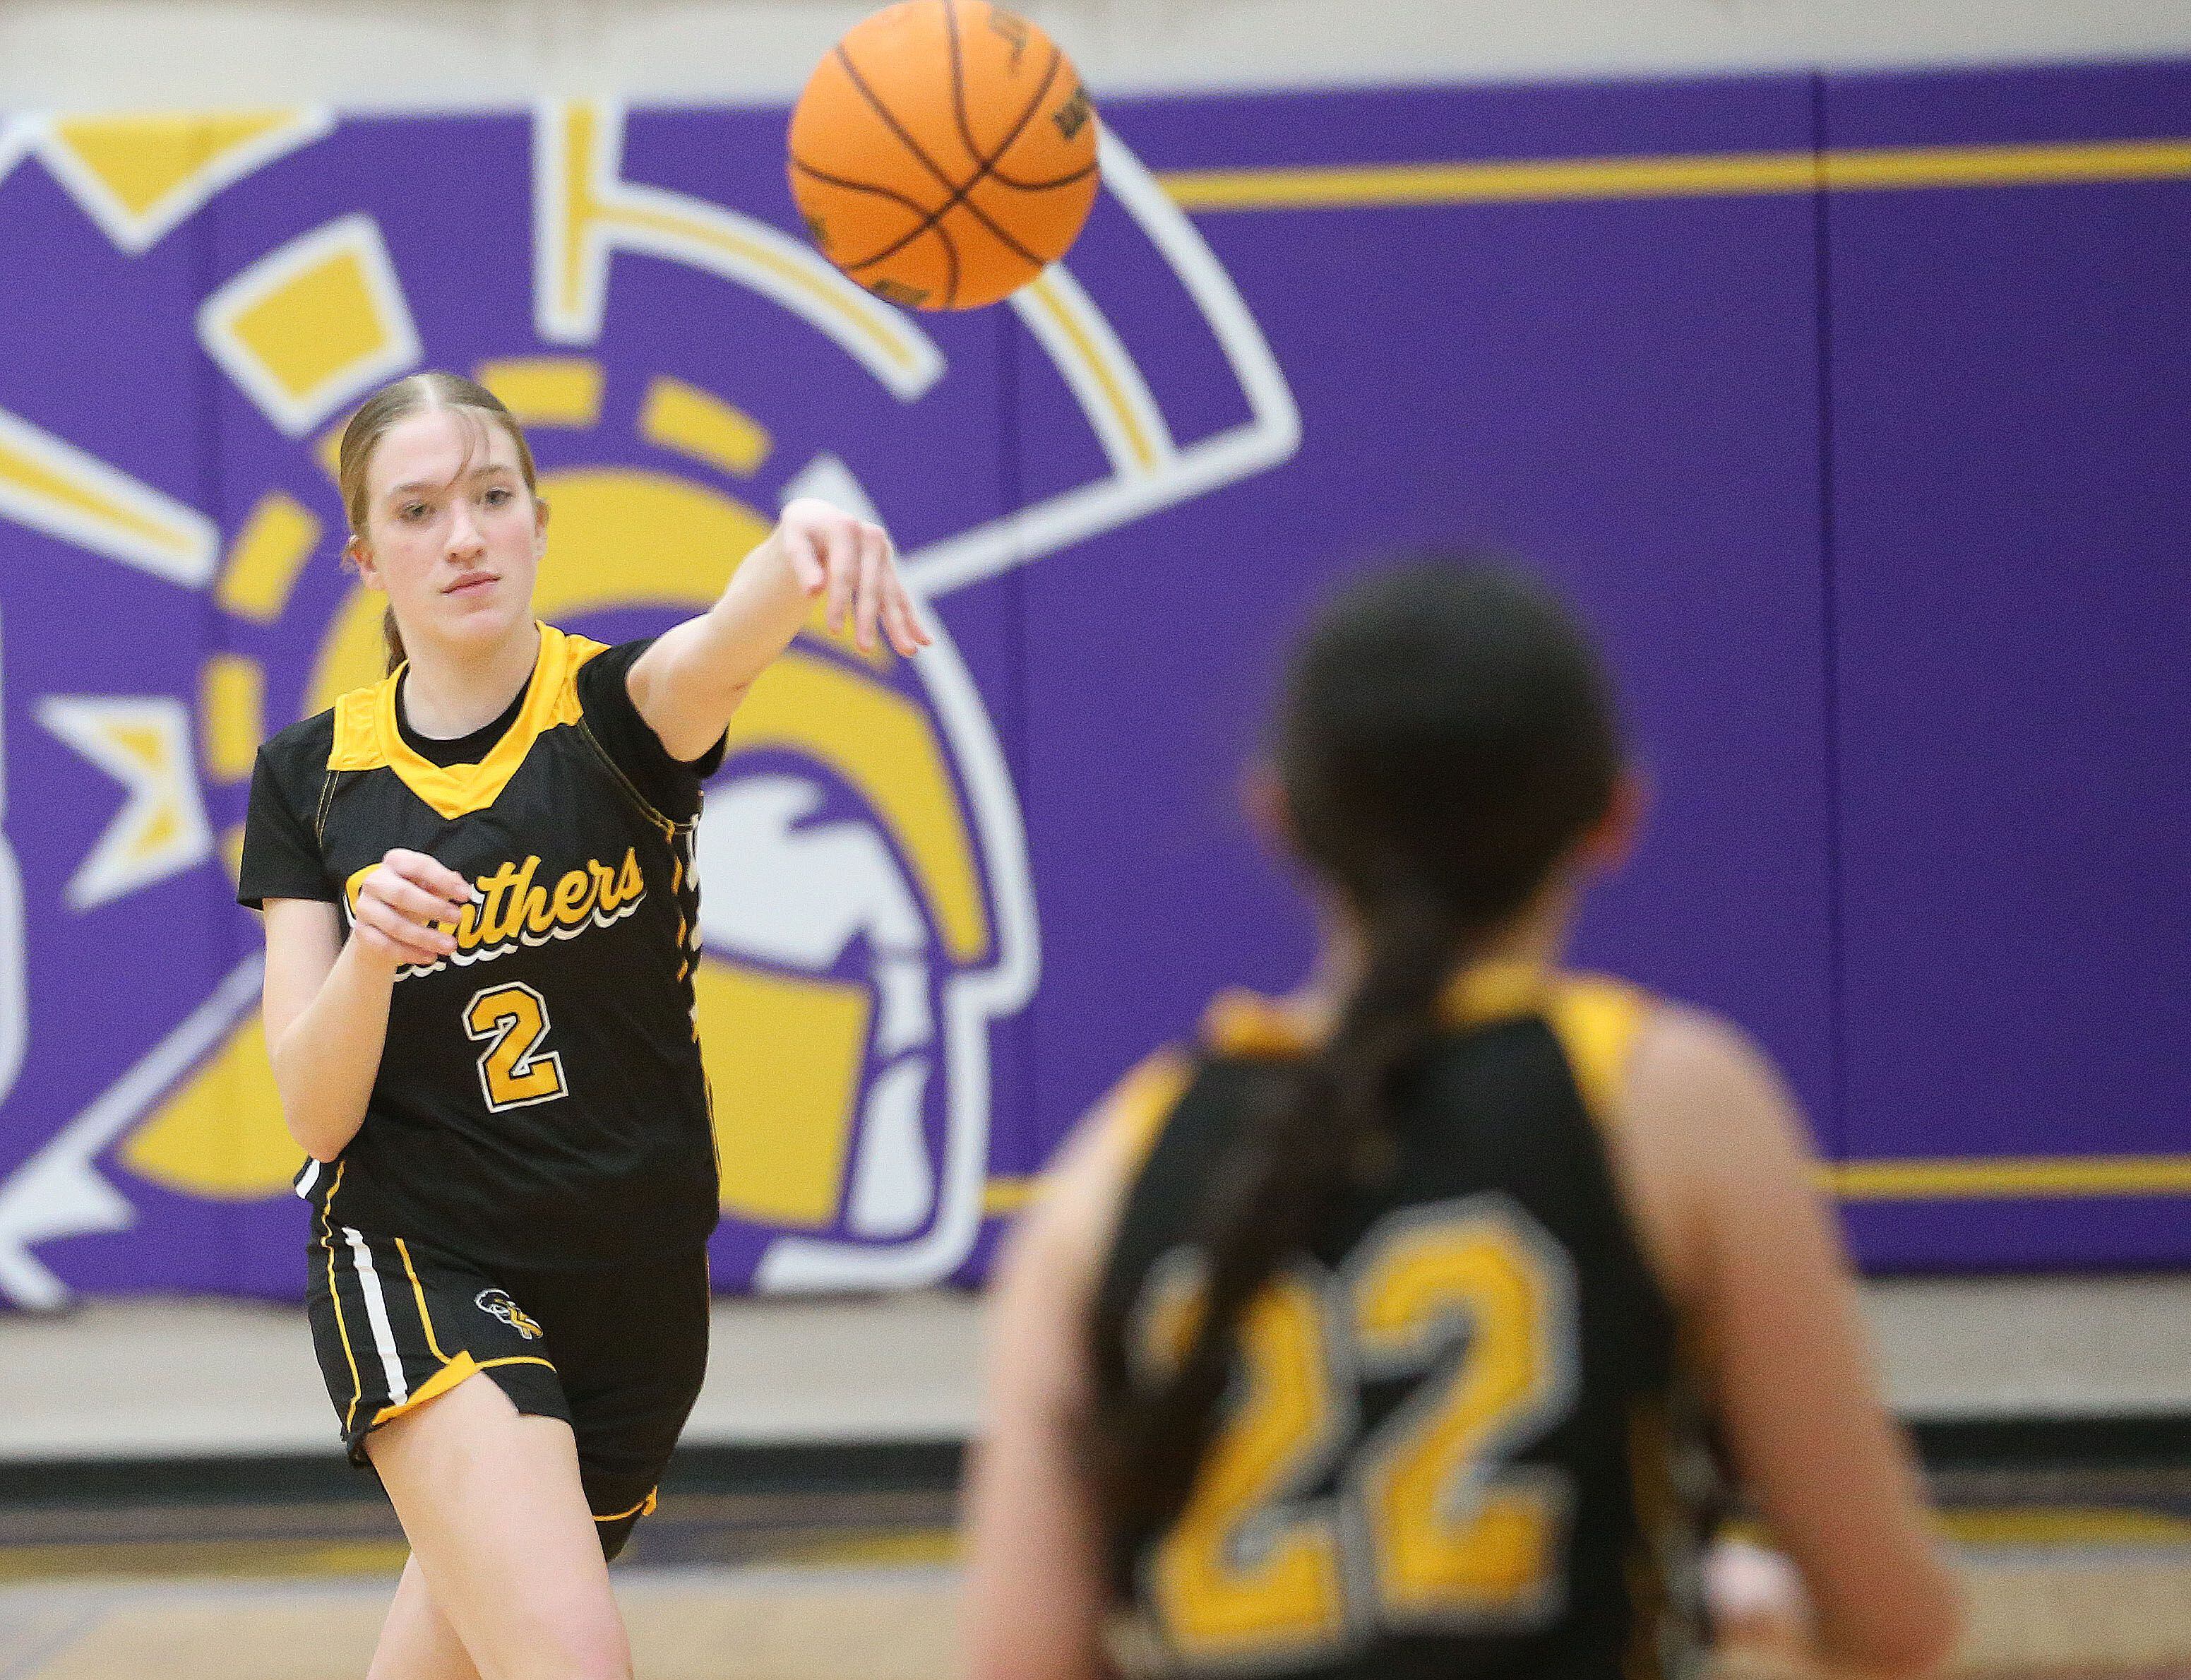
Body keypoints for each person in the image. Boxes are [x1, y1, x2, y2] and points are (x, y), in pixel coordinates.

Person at [962, 558, 1963, 1680]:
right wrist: (1718, 1604)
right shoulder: (1675, 1101)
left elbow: (1019, 1658)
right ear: (1614, 816)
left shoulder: (1106, 1172)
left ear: (1278, 817)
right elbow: (1898, 1624)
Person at [239, 369, 929, 1680]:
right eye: (420, 509)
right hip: (422, 1257)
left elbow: (721, 640)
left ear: (541, 523)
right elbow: (314, 1115)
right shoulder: (311, 780)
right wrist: (372, 954)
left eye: (493, 497)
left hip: (640, 1286)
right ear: (366, 557)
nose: (463, 535)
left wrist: (797, 553)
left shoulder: (617, 716)